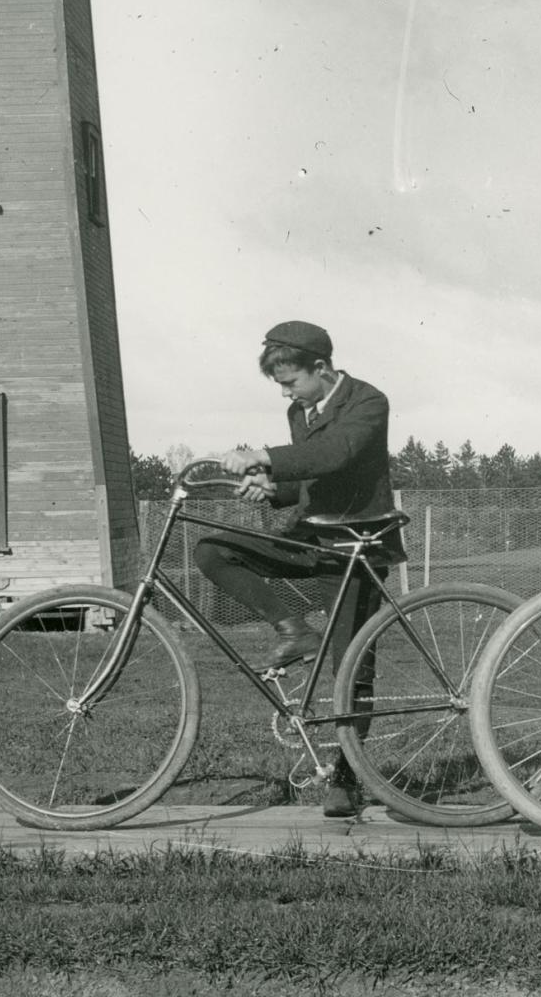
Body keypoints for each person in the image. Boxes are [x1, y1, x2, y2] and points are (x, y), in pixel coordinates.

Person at [192, 320, 405, 817]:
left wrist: (261, 456)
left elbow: (337, 454)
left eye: (290, 381)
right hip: (311, 536)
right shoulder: (299, 410)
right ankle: (293, 629)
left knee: (350, 671)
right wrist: (271, 487)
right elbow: (308, 476)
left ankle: (348, 780)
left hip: (356, 543)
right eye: (280, 384)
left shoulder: (368, 402)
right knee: (213, 551)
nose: (286, 392)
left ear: (322, 368)